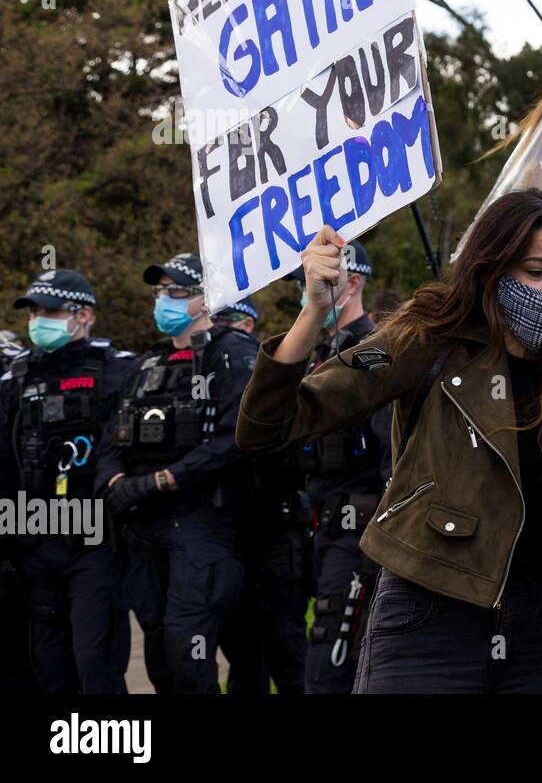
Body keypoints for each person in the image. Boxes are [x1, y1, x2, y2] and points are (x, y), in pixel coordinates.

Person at [236, 189, 542, 693]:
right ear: (493, 268)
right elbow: (266, 427)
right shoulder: (429, 335)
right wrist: (313, 312)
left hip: (541, 636)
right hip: (429, 615)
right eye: (536, 271)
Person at [96, 253, 256, 693]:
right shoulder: (147, 365)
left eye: (176, 292)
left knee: (190, 648)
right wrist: (115, 483)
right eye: (159, 292)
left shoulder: (233, 354)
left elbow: (234, 440)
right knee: (159, 652)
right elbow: (111, 441)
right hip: (143, 528)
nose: (163, 300)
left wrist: (163, 480)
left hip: (201, 524)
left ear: (206, 299)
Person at [0, 269, 133, 692]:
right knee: (49, 666)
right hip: (35, 538)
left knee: (95, 662)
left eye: (52, 311)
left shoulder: (117, 370)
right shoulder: (16, 379)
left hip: (96, 542)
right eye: (35, 311)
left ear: (85, 315)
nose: (40, 319)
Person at [283, 241, 392, 694]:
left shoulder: (376, 351)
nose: (308, 294)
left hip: (361, 538)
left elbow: (393, 452)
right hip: (320, 531)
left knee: (332, 663)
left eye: (321, 283)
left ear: (353, 283)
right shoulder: (317, 356)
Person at [213, 298, 311, 695]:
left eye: (228, 321)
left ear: (249, 325)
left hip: (277, 530)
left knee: (288, 651)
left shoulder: (266, 378)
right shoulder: (210, 374)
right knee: (242, 657)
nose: (221, 329)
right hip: (235, 535)